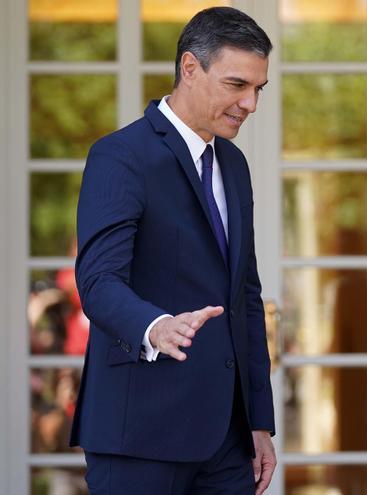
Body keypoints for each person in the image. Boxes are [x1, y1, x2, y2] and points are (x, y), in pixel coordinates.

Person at [71, 7, 276, 494]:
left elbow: (244, 296)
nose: (250, 103)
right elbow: (98, 281)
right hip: (139, 434)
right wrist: (154, 326)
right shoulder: (121, 156)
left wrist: (259, 422)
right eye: (236, 85)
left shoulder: (234, 164)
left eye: (258, 89)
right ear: (189, 68)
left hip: (227, 441)